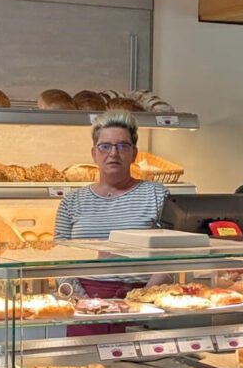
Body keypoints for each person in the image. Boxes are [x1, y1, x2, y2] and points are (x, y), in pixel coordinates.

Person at [54, 111, 171, 303]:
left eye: (122, 146)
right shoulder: (71, 201)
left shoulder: (157, 195)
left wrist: (141, 298)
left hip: (145, 297)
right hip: (83, 298)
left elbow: (173, 257)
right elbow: (59, 260)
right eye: (105, 146)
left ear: (134, 153)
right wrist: (83, 301)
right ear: (94, 154)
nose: (113, 154)